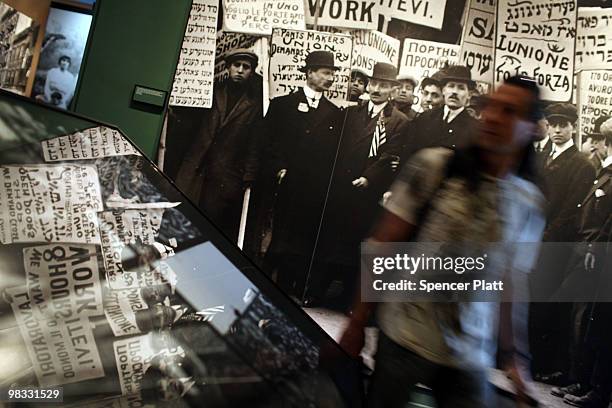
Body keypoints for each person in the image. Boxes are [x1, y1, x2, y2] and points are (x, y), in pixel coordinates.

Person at [339, 76, 547, 407]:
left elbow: (512, 283)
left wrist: (515, 361)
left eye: (510, 111)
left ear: (533, 128)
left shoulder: (528, 202)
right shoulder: (435, 167)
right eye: (491, 107)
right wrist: (357, 322)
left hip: (469, 355)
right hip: (405, 336)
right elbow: (382, 246)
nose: (493, 117)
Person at [312, 62, 410, 308]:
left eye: (384, 85)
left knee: (358, 242)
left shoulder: (399, 121)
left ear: (392, 90)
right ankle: (316, 291)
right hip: (342, 186)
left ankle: (347, 299)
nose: (377, 89)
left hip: (368, 190)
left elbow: (390, 153)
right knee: (330, 238)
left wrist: (369, 177)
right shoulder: (351, 113)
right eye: (374, 83)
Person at [263, 50, 342, 301]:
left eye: (332, 74)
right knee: (280, 233)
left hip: (314, 186)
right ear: (309, 73)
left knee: (302, 235)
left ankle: (289, 286)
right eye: (325, 72)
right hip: (285, 181)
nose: (330, 78)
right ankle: (265, 279)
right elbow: (268, 142)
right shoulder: (282, 104)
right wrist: (278, 168)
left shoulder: (335, 112)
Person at [530, 103, 597, 384]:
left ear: (573, 127)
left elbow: (571, 211)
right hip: (531, 238)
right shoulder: (540, 155)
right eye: (553, 123)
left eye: (564, 124)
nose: (557, 129)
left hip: (556, 245)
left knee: (548, 304)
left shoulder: (581, 164)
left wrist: (544, 237)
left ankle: (545, 364)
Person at [550, 118, 612, 406]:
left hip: (596, 254)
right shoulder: (604, 172)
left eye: (602, 140)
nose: (597, 145)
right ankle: (577, 377)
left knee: (588, 319)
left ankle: (587, 383)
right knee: (577, 315)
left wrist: (593, 247)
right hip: (587, 249)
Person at [174, 49, 263, 243]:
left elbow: (254, 145)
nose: (240, 70)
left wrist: (248, 175)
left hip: (224, 177)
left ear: (252, 72)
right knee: (181, 223)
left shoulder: (255, 105)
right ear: (227, 68)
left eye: (246, 67)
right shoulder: (209, 92)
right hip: (196, 170)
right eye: (236, 65)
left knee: (210, 228)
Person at [404, 65, 478, 160]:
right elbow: (408, 155)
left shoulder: (474, 129)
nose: (454, 92)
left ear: (469, 94)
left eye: (461, 88)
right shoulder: (424, 118)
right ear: (443, 90)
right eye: (451, 86)